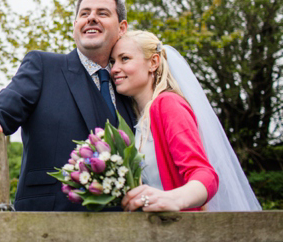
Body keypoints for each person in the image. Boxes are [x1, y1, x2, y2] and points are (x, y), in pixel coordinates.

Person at [0, 0, 137, 211]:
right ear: (75, 26)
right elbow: (6, 106)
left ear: (122, 29)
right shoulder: (43, 66)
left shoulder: (130, 86)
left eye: (102, 13)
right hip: (47, 220)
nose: (91, 17)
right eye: (84, 13)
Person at [110, 30, 262, 212]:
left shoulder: (168, 104)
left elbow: (205, 175)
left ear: (153, 62)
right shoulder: (139, 118)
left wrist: (173, 199)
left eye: (124, 59)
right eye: (112, 62)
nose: (114, 69)